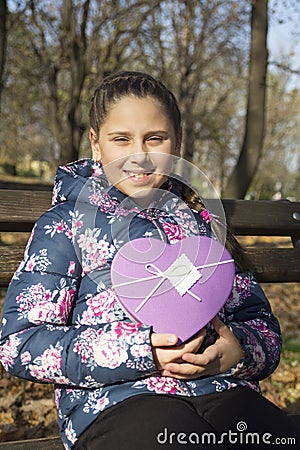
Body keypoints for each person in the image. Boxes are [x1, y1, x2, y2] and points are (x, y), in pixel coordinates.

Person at [0, 71, 298, 450]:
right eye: (121, 139)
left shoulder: (202, 223)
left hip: (222, 391)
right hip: (119, 403)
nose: (138, 155)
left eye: (154, 138)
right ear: (96, 143)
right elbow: (21, 343)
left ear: (177, 143)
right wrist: (141, 351)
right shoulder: (67, 226)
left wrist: (237, 351)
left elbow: (262, 326)